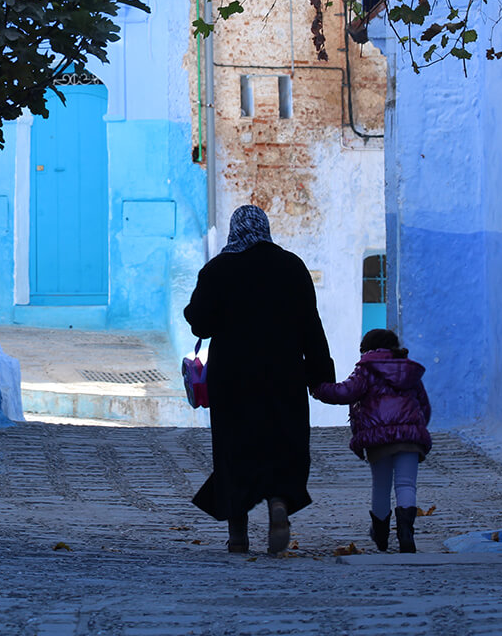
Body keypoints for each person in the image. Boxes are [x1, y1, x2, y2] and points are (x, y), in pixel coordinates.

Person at [185, 204, 335, 555]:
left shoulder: (219, 269)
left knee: (234, 449)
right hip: (283, 374)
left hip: (232, 378)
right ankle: (278, 503)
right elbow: (311, 327)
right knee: (282, 443)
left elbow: (200, 323)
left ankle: (238, 533)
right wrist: (320, 376)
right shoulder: (292, 267)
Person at [311, 328, 432, 553]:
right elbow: (423, 405)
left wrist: (318, 389)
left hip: (378, 439)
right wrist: (417, 427)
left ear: (366, 349)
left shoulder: (366, 370)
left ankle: (381, 533)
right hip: (410, 438)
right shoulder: (409, 371)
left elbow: (345, 392)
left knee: (381, 486)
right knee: (406, 484)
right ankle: (406, 533)